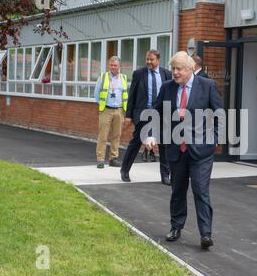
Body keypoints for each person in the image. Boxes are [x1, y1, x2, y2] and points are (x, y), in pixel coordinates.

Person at [146, 51, 224, 249]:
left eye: (178, 69)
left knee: (200, 190)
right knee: (177, 191)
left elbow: (219, 114)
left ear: (190, 69)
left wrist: (216, 139)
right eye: (173, 68)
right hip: (176, 149)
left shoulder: (207, 86)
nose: (174, 72)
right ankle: (176, 227)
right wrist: (152, 135)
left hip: (201, 151)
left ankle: (205, 233)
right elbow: (155, 112)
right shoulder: (167, 88)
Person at [121, 50, 172, 184]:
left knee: (164, 145)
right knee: (136, 142)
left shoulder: (166, 74)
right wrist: (128, 115)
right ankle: (125, 170)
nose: (149, 62)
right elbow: (132, 95)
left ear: (158, 60)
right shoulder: (139, 74)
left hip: (161, 115)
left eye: (152, 60)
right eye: (147, 59)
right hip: (143, 113)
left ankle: (165, 176)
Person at [94, 56, 128, 169]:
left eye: (115, 65)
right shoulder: (103, 77)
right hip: (106, 110)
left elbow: (125, 94)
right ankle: (100, 159)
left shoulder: (123, 77)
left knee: (116, 135)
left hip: (119, 110)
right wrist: (102, 104)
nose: (113, 67)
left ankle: (113, 158)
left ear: (119, 66)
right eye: (111, 65)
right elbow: (96, 94)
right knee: (103, 135)